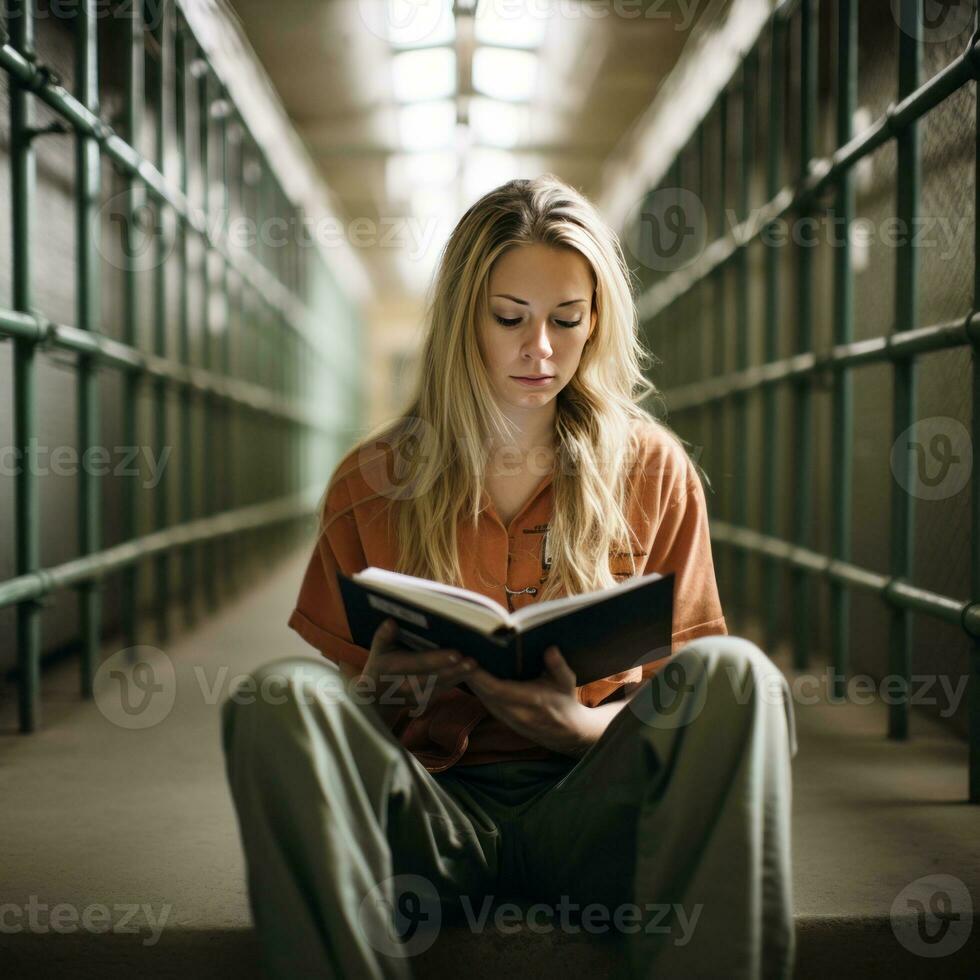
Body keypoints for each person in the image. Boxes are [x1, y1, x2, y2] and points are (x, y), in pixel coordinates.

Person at [221, 174, 799, 980]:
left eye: (567, 318)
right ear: (466, 319)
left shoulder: (653, 469)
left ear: (597, 322)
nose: (542, 350)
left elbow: (682, 702)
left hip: (596, 812)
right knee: (276, 699)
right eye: (510, 318)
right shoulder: (372, 478)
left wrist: (580, 729)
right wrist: (377, 697)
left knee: (741, 679)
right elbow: (343, 719)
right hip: (429, 816)